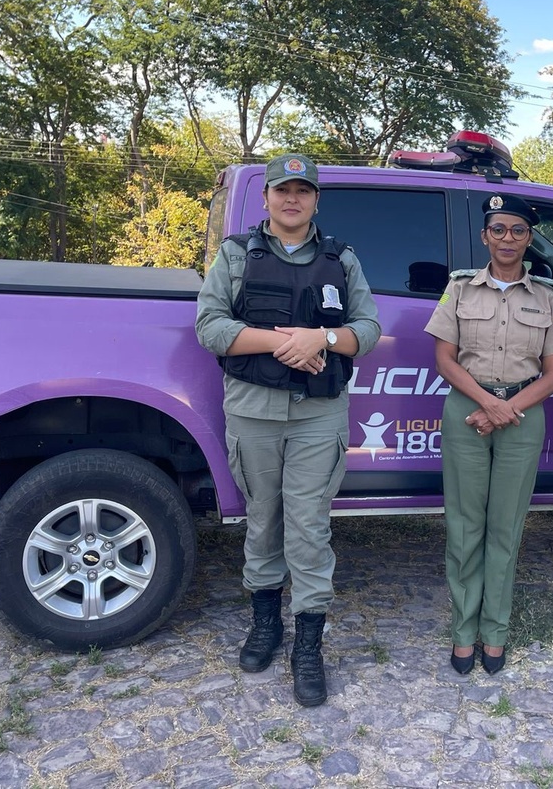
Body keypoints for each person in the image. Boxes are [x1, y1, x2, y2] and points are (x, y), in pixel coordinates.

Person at [194, 153, 381, 706]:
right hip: (253, 410)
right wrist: (284, 341)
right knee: (263, 520)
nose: (291, 199)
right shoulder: (235, 255)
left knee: (309, 526)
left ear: (316, 200)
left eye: (302, 190)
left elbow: (367, 328)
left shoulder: (340, 259)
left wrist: (320, 339)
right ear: (267, 198)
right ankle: (265, 623)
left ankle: (309, 642)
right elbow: (210, 327)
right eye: (282, 190)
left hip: (317, 414)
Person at [425, 193, 553, 675]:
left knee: (506, 529)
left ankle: (496, 631)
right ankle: (463, 631)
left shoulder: (548, 297)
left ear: (529, 239)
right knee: (465, 527)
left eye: (517, 231)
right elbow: (444, 360)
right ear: (485, 236)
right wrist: (489, 404)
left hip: (523, 413)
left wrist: (506, 407)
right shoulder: (460, 290)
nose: (507, 239)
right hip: (468, 409)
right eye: (498, 230)